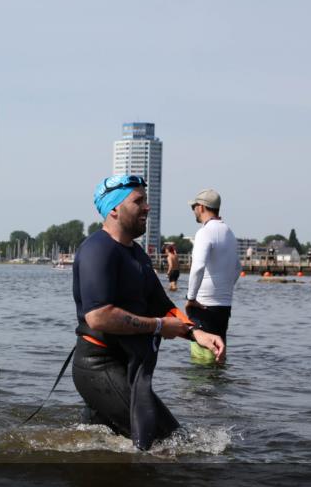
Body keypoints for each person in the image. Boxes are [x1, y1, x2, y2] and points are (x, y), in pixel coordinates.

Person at [71, 175, 225, 450]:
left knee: (97, 447)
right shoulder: (98, 250)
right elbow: (99, 316)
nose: (147, 207)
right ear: (114, 208)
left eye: (146, 200)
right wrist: (157, 327)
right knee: (172, 444)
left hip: (125, 365)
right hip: (99, 365)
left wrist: (196, 333)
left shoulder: (136, 254)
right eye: (138, 200)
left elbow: (161, 304)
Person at [186, 189, 240, 362]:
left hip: (203, 304)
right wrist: (224, 288)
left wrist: (191, 298)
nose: (193, 210)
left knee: (202, 360)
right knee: (218, 354)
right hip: (224, 305)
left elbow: (198, 267)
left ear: (201, 207)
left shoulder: (204, 232)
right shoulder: (229, 233)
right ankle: (218, 388)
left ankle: (203, 389)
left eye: (194, 207)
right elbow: (238, 268)